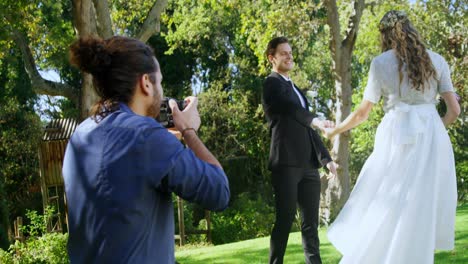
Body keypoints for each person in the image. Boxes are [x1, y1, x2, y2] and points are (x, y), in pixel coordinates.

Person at [63, 36, 230, 263]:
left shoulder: (79, 136)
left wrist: (168, 141)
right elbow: (219, 192)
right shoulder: (147, 137)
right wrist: (189, 131)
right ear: (146, 83)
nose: (161, 89)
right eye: (159, 82)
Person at [326, 10, 460, 264]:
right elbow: (454, 110)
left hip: (395, 134)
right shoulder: (437, 61)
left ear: (385, 35)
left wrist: (335, 130)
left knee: (385, 197)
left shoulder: (381, 63)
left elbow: (362, 113)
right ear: (411, 30)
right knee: (420, 204)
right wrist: (436, 128)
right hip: (431, 138)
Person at [262, 36, 337, 264]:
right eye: (283, 52)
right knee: (284, 220)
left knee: (310, 224)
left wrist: (326, 159)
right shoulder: (272, 84)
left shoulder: (296, 90)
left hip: (308, 166)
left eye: (290, 52)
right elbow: (291, 109)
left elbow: (308, 129)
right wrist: (315, 120)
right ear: (272, 58)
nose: (289, 56)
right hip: (286, 163)